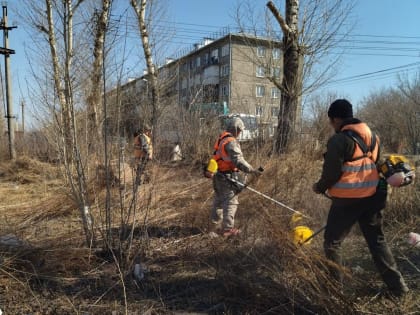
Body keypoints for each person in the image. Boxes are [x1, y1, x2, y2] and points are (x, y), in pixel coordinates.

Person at [312, 99, 409, 297]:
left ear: (337, 119)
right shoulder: (373, 136)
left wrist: (319, 187)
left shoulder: (338, 140)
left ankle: (334, 290)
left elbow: (331, 173)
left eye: (332, 122)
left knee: (332, 243)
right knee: (377, 241)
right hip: (373, 197)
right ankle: (398, 288)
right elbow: (377, 164)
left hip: (348, 200)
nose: (332, 126)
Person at [211, 117, 262, 237]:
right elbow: (238, 160)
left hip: (218, 175)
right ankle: (227, 230)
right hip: (227, 177)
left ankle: (215, 227)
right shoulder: (231, 141)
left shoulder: (221, 139)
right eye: (240, 131)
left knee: (218, 201)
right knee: (230, 202)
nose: (240, 133)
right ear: (236, 129)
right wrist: (252, 170)